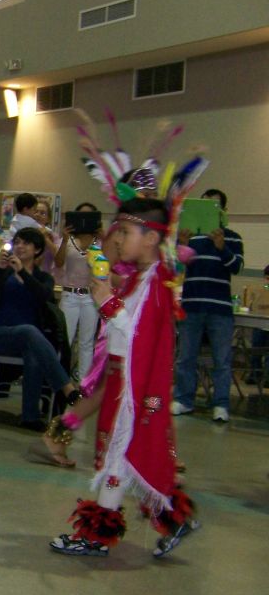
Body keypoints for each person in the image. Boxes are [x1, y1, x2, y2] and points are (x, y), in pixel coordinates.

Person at [50, 197, 198, 558]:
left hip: (135, 388)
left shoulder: (157, 282)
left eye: (126, 232)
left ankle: (98, 535)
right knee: (123, 455)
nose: (118, 240)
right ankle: (172, 518)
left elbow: (140, 335)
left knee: (120, 456)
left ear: (150, 238)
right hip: (123, 382)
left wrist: (106, 302)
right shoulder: (140, 279)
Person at [0, 227, 80, 430]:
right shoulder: (2, 272)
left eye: (26, 243)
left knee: (33, 349)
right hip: (1, 335)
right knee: (29, 331)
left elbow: (44, 296)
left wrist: (23, 273)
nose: (20, 246)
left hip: (30, 340)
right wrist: (0, 270)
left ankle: (30, 417)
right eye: (17, 242)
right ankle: (66, 386)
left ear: (37, 250)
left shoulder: (44, 278)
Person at [172, 188, 244, 423]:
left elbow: (237, 267)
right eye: (202, 205)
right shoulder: (189, 236)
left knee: (221, 359)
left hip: (220, 308)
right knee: (186, 357)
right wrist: (182, 245)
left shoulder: (233, 237)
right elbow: (175, 268)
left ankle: (221, 404)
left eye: (213, 206)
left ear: (223, 211)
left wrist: (222, 247)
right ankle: (184, 399)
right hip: (191, 304)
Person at [54, 202, 101, 380]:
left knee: (87, 342)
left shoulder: (100, 241)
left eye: (89, 217)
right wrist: (65, 239)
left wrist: (103, 236)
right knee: (65, 339)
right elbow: (58, 263)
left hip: (90, 295)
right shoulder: (67, 239)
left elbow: (108, 264)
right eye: (81, 216)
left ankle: (84, 383)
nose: (84, 221)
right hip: (69, 294)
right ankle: (61, 380)